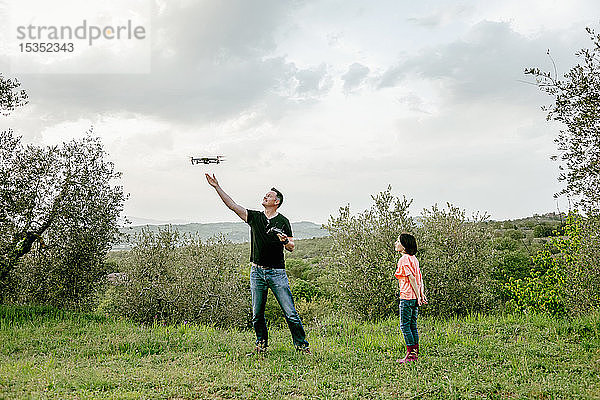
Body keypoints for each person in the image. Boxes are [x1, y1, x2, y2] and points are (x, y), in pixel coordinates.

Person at [205, 174, 310, 354]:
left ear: (276, 202)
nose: (265, 197)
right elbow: (232, 205)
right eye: (265, 195)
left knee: (290, 313)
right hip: (257, 272)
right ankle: (261, 346)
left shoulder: (283, 221)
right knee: (257, 315)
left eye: (269, 196)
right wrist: (216, 186)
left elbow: (291, 247)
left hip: (277, 273)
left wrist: (284, 241)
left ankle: (302, 347)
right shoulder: (255, 217)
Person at [394, 233, 427, 364]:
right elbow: (420, 278)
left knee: (405, 326)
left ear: (404, 245)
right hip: (414, 298)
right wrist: (420, 294)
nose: (396, 243)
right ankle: (414, 353)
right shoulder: (414, 259)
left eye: (398, 241)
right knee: (413, 325)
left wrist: (419, 295)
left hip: (407, 297)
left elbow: (412, 278)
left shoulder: (403, 260)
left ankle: (411, 356)